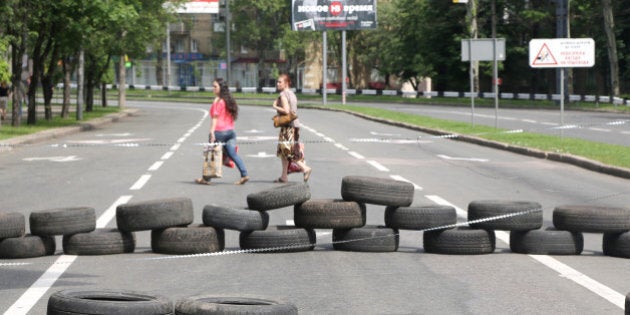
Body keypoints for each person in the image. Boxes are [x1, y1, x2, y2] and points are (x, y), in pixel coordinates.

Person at [195, 78, 249, 185]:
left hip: (219, 132)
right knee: (233, 154)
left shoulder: (218, 101)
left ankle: (206, 179)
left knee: (211, 154)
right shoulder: (229, 101)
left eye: (215, 86)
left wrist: (212, 132)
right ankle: (244, 174)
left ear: (221, 88)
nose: (213, 88)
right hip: (230, 132)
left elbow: (215, 118)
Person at [272, 73, 312, 183]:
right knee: (284, 152)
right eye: (277, 81)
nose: (277, 84)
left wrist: (275, 106)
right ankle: (284, 176)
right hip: (294, 125)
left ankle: (305, 168)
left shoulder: (283, 94)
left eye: (280, 82)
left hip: (288, 126)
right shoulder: (292, 94)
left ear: (286, 83)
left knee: (289, 151)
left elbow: (286, 111)